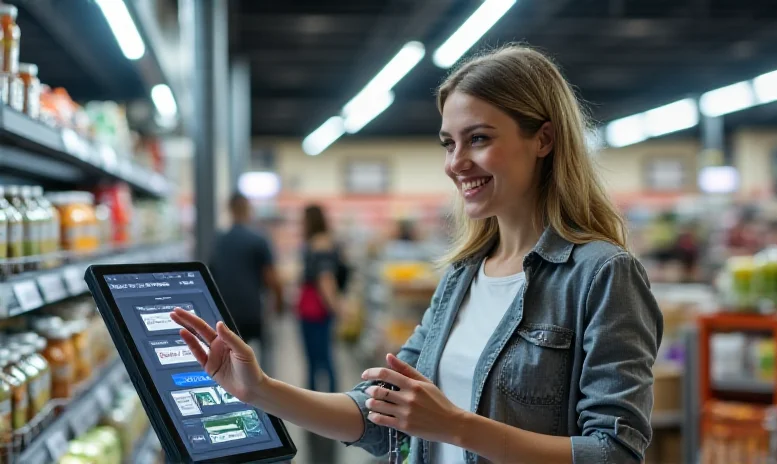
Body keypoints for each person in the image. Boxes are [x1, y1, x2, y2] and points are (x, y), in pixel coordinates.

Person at [172, 45, 662, 464]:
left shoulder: (602, 275)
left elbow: (613, 451)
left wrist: (457, 427)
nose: (456, 163)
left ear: (544, 139)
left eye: (480, 139)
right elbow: (377, 413)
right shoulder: (462, 277)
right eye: (449, 143)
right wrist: (260, 390)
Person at [208, 192, 283, 375]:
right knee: (260, 360)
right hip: (253, 311)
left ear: (230, 209)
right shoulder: (258, 239)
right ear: (248, 209)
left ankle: (236, 395)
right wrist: (279, 304)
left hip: (227, 313)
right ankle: (263, 394)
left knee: (232, 359)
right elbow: (271, 277)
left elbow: (212, 277)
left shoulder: (220, 241)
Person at [296, 204, 341, 393]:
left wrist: (336, 306)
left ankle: (327, 402)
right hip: (314, 306)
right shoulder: (321, 242)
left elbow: (325, 279)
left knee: (319, 359)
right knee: (320, 358)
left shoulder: (320, 244)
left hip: (315, 307)